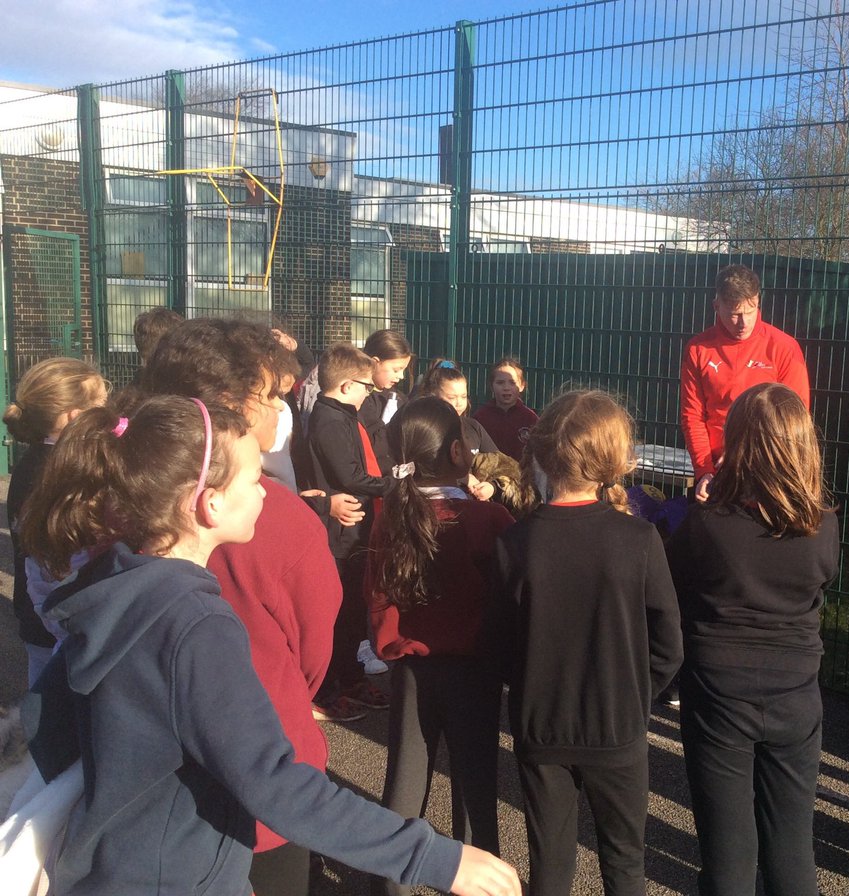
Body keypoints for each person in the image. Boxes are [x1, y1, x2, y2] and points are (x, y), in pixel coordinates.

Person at [17, 396, 522, 896]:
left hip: (120, 865)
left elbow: (46, 726)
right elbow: (276, 784)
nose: (265, 491)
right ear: (210, 503)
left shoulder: (112, 584)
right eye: (255, 478)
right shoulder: (198, 626)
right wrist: (435, 858)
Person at [139, 317, 346, 892]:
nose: (281, 409)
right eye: (272, 395)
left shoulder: (120, 494)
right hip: (267, 767)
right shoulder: (279, 518)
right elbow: (313, 652)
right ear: (232, 405)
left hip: (149, 780)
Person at [491, 389, 683, 896]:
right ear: (612, 458)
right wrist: (635, 695)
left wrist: (530, 685)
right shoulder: (638, 540)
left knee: (550, 864)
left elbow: (500, 645)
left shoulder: (514, 543)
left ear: (543, 453)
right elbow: (669, 644)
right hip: (617, 726)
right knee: (625, 865)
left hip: (541, 727)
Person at [665, 383, 838, 896]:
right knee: (792, 846)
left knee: (728, 852)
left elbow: (676, 585)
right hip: (796, 692)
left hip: (719, 693)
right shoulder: (823, 525)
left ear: (737, 444)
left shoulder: (708, 523)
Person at [365, 396, 514, 896]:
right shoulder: (489, 519)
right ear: (457, 451)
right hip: (474, 672)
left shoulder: (389, 518)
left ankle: (389, 886)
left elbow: (376, 595)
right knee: (475, 789)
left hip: (411, 670)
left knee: (404, 788)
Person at [2, 358, 109, 685]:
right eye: (101, 405)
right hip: (69, 620)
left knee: (43, 697)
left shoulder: (31, 462)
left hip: (38, 615)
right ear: (75, 417)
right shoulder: (69, 473)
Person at [303, 341, 394, 720]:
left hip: (355, 531)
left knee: (354, 610)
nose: (369, 393)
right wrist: (394, 485)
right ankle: (327, 689)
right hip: (340, 534)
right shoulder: (329, 420)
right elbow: (350, 476)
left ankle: (351, 678)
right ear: (346, 385)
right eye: (366, 386)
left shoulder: (342, 416)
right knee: (338, 615)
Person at [680, 264, 811, 502]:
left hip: (770, 468)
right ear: (716, 306)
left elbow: (794, 418)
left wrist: (746, 453)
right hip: (719, 471)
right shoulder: (698, 349)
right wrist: (704, 470)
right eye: (734, 314)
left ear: (758, 302)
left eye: (750, 312)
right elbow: (693, 416)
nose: (744, 323)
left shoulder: (784, 347)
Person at [414, 358, 498, 455]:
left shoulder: (473, 427)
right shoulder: (423, 429)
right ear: (433, 396)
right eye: (452, 397)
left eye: (463, 396)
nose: (459, 403)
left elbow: (498, 459)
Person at [360, 329, 415, 471]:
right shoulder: (359, 399)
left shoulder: (400, 398)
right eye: (396, 370)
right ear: (374, 363)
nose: (401, 376)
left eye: (403, 370)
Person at [473, 357, 538, 460]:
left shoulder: (531, 419)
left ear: (522, 386)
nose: (506, 388)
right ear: (491, 386)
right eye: (500, 382)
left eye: (512, 382)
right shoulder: (480, 417)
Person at [468, 451, 537, 519]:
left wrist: (493, 488)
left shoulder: (532, 502)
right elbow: (468, 460)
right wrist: (493, 487)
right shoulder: (497, 461)